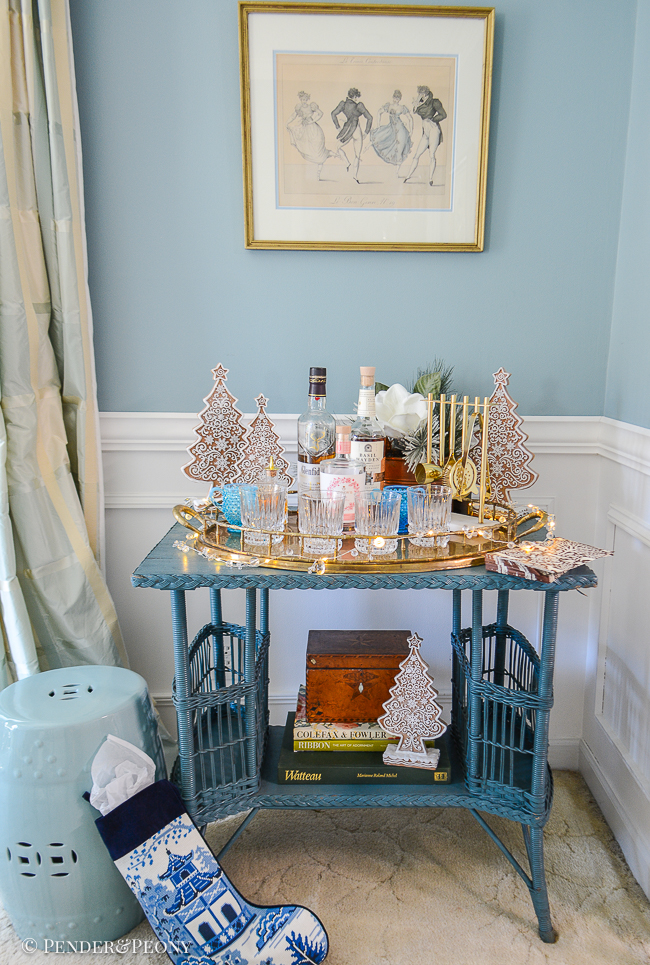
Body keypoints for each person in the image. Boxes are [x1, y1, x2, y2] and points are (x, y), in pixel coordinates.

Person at [286, 91, 346, 180]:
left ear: (307, 99)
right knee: (309, 150)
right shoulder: (299, 108)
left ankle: (323, 168)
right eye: (302, 100)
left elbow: (321, 113)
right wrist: (287, 123)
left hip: (314, 130)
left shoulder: (311, 106)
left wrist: (313, 121)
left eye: (305, 100)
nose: (304, 101)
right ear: (300, 100)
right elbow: (293, 115)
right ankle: (333, 157)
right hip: (305, 131)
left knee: (318, 150)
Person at [403, 86, 447, 186]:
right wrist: (416, 102)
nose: (419, 95)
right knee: (417, 155)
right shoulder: (420, 101)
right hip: (425, 131)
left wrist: (433, 119)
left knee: (431, 155)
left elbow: (443, 115)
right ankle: (408, 175)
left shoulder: (434, 102)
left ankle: (431, 179)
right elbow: (414, 111)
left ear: (426, 93)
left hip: (433, 130)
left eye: (421, 93)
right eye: (419, 93)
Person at [331, 88, 373, 182]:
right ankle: (355, 176)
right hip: (357, 130)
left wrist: (338, 127)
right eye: (356, 97)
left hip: (347, 129)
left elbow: (333, 114)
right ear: (354, 97)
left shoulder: (343, 104)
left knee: (337, 147)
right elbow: (370, 118)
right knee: (357, 156)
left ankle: (347, 163)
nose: (357, 99)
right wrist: (366, 132)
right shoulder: (359, 106)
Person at [369, 90, 413, 168]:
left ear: (400, 99)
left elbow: (410, 118)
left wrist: (411, 130)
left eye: (398, 98)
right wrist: (378, 125)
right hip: (391, 128)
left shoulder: (402, 107)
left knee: (399, 150)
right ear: (393, 98)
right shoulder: (388, 106)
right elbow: (379, 112)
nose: (396, 100)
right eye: (395, 98)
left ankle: (397, 173)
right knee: (380, 139)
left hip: (401, 130)